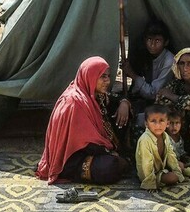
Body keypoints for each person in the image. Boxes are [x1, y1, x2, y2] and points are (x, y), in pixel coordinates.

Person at [36, 57, 131, 185]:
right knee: (109, 167)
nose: (107, 81)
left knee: (124, 112)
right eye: (102, 77)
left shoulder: (94, 93)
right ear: (90, 76)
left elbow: (115, 98)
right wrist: (111, 153)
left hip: (95, 149)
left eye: (108, 76)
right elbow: (87, 144)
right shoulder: (75, 102)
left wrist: (124, 103)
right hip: (72, 157)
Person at [135, 104, 190, 190]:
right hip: (149, 174)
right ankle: (188, 172)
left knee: (179, 166)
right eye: (153, 121)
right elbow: (146, 165)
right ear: (146, 124)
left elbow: (170, 156)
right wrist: (150, 184)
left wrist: (178, 173)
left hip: (162, 168)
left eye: (161, 121)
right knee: (172, 177)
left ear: (167, 123)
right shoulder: (145, 140)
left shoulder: (165, 136)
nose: (158, 125)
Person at [122, 21, 175, 127]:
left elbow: (153, 93)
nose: (152, 44)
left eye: (157, 41)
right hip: (146, 99)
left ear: (166, 42)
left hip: (162, 104)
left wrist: (132, 74)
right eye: (149, 39)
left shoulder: (169, 60)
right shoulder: (145, 54)